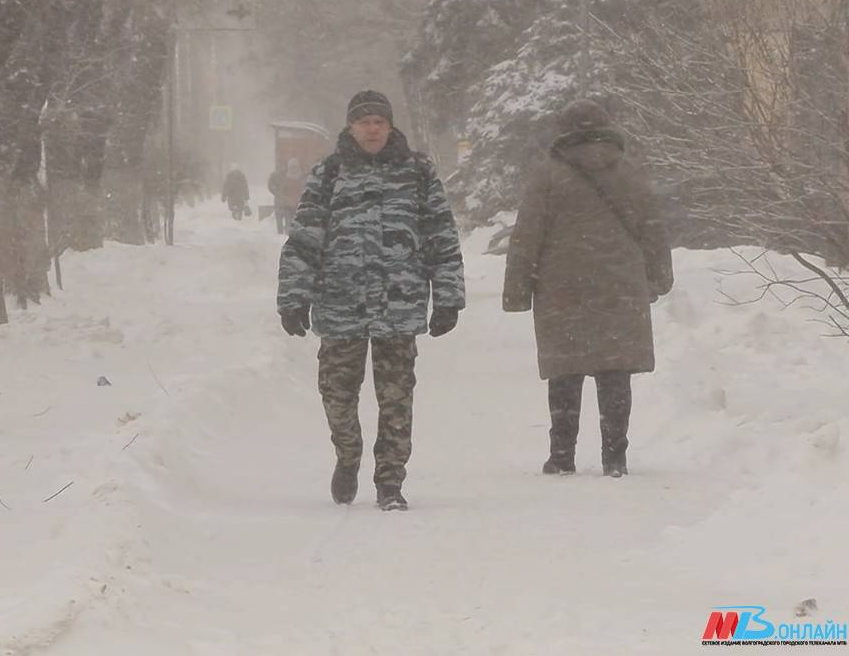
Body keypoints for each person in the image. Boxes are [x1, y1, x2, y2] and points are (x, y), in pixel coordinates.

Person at [277, 90, 466, 511]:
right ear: (350, 126)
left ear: (390, 125)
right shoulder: (328, 174)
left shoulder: (417, 173)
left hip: (399, 307)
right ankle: (348, 454)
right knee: (337, 396)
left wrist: (448, 296)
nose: (372, 128)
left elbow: (441, 236)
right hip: (340, 305)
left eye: (379, 121)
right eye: (364, 121)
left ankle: (390, 483)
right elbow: (305, 237)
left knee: (396, 399)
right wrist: (293, 296)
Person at [502, 99, 674, 478]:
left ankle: (562, 453)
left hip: (562, 288)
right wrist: (659, 277)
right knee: (616, 371)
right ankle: (615, 455)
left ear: (563, 132)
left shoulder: (547, 176)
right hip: (620, 285)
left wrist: (517, 291)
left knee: (566, 371)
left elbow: (527, 234)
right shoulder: (630, 174)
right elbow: (653, 229)